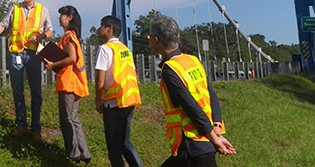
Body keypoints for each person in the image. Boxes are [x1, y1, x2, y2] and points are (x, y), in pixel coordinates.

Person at [148, 14, 236, 167]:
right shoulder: (193, 61)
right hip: (200, 145)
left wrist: (215, 139)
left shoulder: (170, 70)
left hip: (192, 147)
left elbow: (191, 107)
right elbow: (212, 96)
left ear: (156, 40)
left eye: (149, 36)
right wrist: (216, 129)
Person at [0, 0, 53, 142]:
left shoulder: (43, 10)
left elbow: (50, 31)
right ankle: (21, 125)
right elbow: (3, 25)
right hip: (16, 53)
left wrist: (41, 36)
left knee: (36, 92)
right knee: (17, 90)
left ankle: (36, 128)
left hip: (33, 54)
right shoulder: (14, 7)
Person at [44, 6, 91, 163]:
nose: (59, 18)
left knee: (67, 119)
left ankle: (73, 153)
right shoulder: (71, 35)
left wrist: (52, 64)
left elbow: (71, 58)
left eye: (61, 15)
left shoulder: (68, 36)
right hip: (75, 82)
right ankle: (84, 152)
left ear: (69, 17)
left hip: (68, 83)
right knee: (74, 118)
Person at [95, 15, 143, 167]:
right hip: (129, 101)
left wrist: (98, 100)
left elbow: (100, 80)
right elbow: (134, 75)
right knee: (125, 143)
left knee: (114, 148)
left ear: (109, 29)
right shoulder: (125, 49)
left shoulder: (105, 49)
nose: (99, 29)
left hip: (113, 104)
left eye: (101, 25)